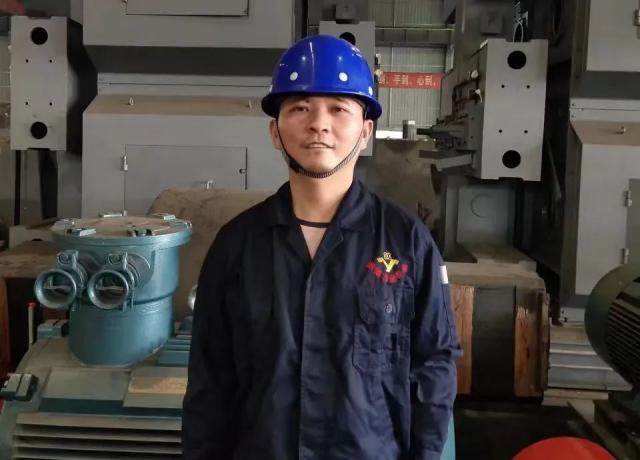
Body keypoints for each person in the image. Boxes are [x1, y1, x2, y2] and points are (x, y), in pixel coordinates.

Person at [182, 35, 462, 460]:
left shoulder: (406, 242)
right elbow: (209, 382)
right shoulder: (237, 245)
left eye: (338, 108)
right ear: (275, 131)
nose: (318, 123)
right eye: (300, 108)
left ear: (365, 132)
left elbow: (433, 366)